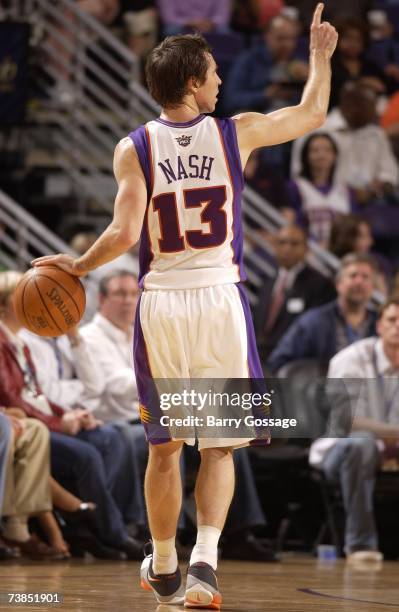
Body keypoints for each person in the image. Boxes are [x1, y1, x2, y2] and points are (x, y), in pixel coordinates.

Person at [32, 5, 337, 607]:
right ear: (194, 82)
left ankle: (165, 561)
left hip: (163, 305)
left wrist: (75, 266)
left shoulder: (134, 146)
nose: (222, 81)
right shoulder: (236, 130)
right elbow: (312, 113)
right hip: (220, 297)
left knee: (164, 448)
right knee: (221, 445)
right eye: (215, 73)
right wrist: (320, 58)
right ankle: (204, 565)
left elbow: (122, 236)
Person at [309, 297, 399, 562]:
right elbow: (350, 422)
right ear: (379, 326)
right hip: (340, 449)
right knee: (362, 444)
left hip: (390, 447)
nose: (398, 327)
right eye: (392, 320)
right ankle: (360, 545)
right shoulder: (351, 359)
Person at [267, 253, 378, 373]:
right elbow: (278, 362)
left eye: (365, 277)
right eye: (353, 276)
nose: (359, 282)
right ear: (338, 284)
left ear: (372, 287)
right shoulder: (313, 321)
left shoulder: (381, 324)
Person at [253, 224, 336, 361]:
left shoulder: (321, 284)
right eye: (282, 242)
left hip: (294, 362)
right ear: (274, 247)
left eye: (294, 243)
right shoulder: (266, 283)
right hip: (259, 359)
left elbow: (316, 330)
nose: (287, 248)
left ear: (306, 248)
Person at [223, 13, 308, 114]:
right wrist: (266, 95)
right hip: (258, 117)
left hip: (290, 119)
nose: (287, 45)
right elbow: (231, 100)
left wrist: (311, 81)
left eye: (291, 39)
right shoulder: (248, 60)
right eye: (281, 38)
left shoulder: (299, 64)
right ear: (267, 36)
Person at [287, 132, 352, 245]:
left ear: (335, 156)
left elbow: (353, 225)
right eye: (315, 150)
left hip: (340, 250)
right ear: (305, 156)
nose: (321, 155)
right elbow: (295, 224)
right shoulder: (296, 187)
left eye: (327, 150)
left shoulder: (346, 190)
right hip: (310, 251)